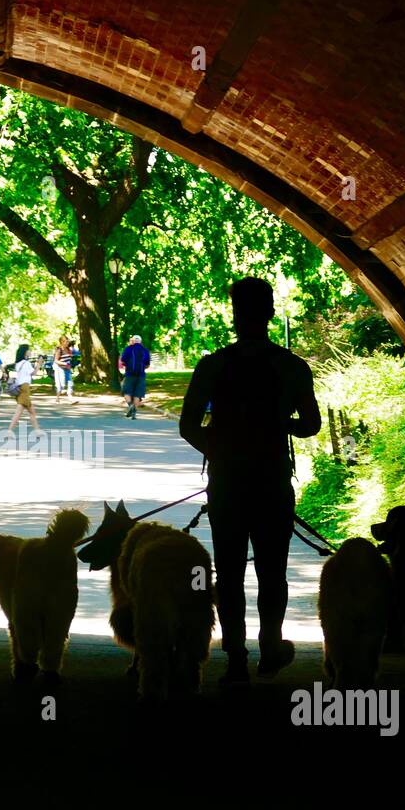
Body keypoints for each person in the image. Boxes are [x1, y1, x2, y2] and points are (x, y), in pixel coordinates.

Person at [179, 277, 321, 686]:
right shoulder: (291, 367)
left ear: (235, 316)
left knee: (229, 570)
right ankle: (271, 644)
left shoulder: (213, 366)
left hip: (227, 484)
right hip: (272, 482)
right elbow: (311, 425)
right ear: (271, 314)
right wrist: (283, 425)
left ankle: (236, 656)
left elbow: (189, 426)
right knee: (273, 571)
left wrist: (220, 451)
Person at [7, 343, 41, 434]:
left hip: (19, 388)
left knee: (30, 412)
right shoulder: (26, 363)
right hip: (25, 388)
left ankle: (38, 432)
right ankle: (9, 431)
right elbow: (34, 373)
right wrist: (39, 364)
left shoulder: (18, 363)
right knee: (20, 413)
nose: (30, 351)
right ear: (25, 352)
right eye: (29, 350)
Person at [120, 334, 150, 418]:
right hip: (141, 375)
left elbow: (122, 361)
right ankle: (134, 413)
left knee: (126, 391)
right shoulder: (145, 350)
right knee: (138, 394)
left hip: (129, 374)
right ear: (140, 341)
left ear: (133, 341)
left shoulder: (128, 349)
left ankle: (130, 405)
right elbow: (147, 364)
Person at [53, 335, 75, 402]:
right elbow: (56, 360)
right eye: (66, 341)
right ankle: (57, 398)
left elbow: (69, 358)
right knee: (61, 386)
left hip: (67, 368)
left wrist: (71, 359)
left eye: (68, 341)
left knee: (70, 382)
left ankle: (70, 398)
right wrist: (65, 364)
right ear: (62, 342)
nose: (67, 343)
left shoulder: (68, 349)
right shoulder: (59, 350)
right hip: (60, 369)